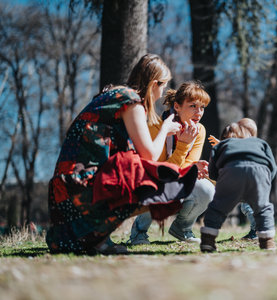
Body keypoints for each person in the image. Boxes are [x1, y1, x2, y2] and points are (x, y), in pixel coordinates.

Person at [46, 53, 196, 254]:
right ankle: (98, 239)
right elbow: (149, 156)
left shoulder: (110, 96)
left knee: (129, 170)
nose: (161, 95)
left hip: (64, 189)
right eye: (162, 86)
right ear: (153, 84)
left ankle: (96, 238)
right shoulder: (130, 100)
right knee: (155, 183)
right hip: (80, 187)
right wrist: (165, 129)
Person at [129, 81, 215, 245]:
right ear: (177, 106)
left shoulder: (199, 130)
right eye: (193, 106)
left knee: (207, 189)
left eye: (202, 107)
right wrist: (183, 148)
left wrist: (194, 168)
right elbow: (160, 171)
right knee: (157, 184)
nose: (199, 112)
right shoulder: (156, 127)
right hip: (153, 180)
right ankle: (138, 232)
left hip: (177, 178)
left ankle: (182, 229)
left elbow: (187, 166)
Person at [200, 118, 277, 252]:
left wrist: (221, 180)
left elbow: (213, 171)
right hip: (259, 172)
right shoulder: (260, 143)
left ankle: (208, 239)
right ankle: (267, 241)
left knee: (217, 208)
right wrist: (266, 181)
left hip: (232, 170)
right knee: (263, 208)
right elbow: (273, 166)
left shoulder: (221, 145)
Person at [207, 118, 258, 240]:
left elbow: (235, 150)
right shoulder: (249, 146)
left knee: (248, 207)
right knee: (247, 207)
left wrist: (220, 145)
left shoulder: (250, 147)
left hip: (249, 183)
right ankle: (256, 230)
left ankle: (257, 231)